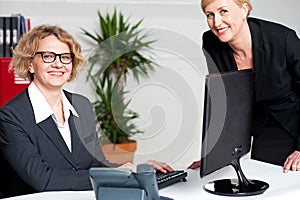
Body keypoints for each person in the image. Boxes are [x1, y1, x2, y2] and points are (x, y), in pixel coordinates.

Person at [0, 24, 173, 198]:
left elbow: (95, 162)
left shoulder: (81, 105)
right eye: (48, 56)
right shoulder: (11, 116)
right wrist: (120, 174)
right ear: (30, 64)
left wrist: (136, 170)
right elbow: (43, 179)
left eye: (65, 57)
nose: (58, 64)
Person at [188, 0, 300, 172]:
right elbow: (224, 101)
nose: (216, 22)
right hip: (261, 126)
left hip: (293, 118)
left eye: (223, 11)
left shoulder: (282, 38)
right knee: (262, 177)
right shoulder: (211, 42)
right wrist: (213, 157)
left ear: (244, 9)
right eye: (210, 15)